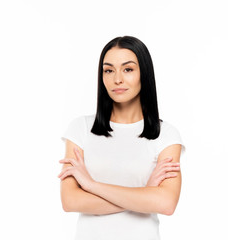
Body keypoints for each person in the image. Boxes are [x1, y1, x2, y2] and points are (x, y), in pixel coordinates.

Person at [58, 36, 185, 240]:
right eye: (109, 70)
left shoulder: (166, 135)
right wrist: (145, 194)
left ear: (144, 73)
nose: (117, 79)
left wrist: (92, 186)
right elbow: (70, 201)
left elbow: (166, 204)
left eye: (128, 69)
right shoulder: (80, 129)